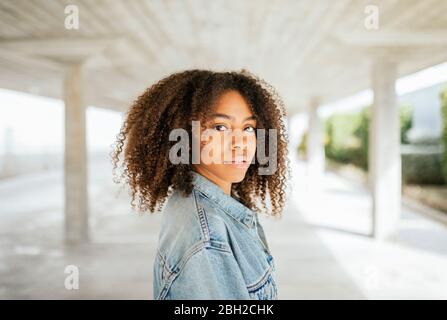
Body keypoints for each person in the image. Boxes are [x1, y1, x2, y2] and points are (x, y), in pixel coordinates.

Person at [111, 69, 289, 299]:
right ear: (185, 134)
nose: (240, 143)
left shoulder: (203, 206)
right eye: (220, 127)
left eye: (248, 128)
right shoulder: (207, 235)